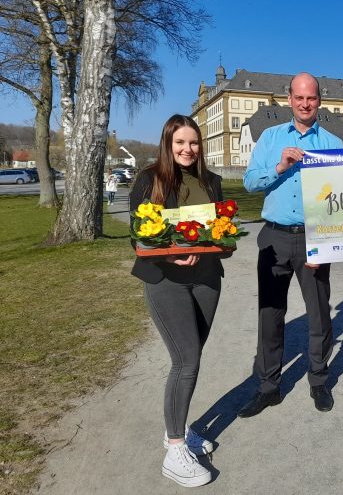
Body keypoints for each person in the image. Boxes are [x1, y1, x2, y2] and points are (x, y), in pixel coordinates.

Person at [129, 115, 227, 487]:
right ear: (168, 144)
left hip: (206, 280)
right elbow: (136, 235)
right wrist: (167, 254)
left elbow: (221, 234)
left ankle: (179, 427)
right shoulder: (149, 179)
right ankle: (174, 450)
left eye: (194, 143)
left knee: (191, 358)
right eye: (180, 143)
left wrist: (222, 242)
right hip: (165, 280)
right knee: (186, 359)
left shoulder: (211, 181)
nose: (188, 150)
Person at [239, 72, 342, 417]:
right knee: (271, 315)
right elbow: (251, 182)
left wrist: (326, 243)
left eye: (311, 98)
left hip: (315, 236)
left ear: (319, 101)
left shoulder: (333, 143)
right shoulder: (269, 138)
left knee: (319, 315)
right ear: (289, 99)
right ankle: (268, 387)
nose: (305, 103)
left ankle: (318, 380)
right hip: (275, 236)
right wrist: (280, 166)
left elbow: (341, 199)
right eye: (299, 97)